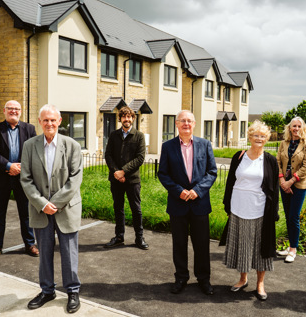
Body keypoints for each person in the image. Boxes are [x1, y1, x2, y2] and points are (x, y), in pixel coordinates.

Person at [20, 104, 83, 314]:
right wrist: (42, 203)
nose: (49, 124)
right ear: (40, 122)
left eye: (53, 120)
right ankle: (47, 291)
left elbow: (75, 179)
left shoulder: (72, 145)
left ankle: (72, 291)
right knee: (44, 252)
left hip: (66, 209)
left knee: (69, 252)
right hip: (40, 210)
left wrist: (54, 203)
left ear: (59, 121)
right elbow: (26, 179)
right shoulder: (30, 145)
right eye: (45, 120)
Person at [158, 110, 217, 295]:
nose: (186, 124)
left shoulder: (205, 145)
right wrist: (178, 191)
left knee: (202, 245)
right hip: (178, 204)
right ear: (176, 124)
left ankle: (204, 279)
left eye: (189, 121)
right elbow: (163, 174)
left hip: (199, 204)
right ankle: (181, 278)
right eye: (182, 121)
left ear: (194, 123)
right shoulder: (167, 147)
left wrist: (197, 191)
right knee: (179, 244)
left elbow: (212, 172)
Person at [223, 121, 279, 301]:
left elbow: (275, 188)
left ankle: (260, 284)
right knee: (243, 246)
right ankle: (242, 279)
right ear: (249, 136)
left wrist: (275, 211)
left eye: (263, 136)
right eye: (256, 135)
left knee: (260, 249)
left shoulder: (269, 160)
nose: (259, 139)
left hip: (260, 210)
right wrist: (228, 205)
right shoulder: (238, 157)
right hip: (239, 207)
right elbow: (230, 182)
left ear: (267, 139)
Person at [0, 100, 38, 261]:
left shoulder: (29, 129)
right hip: (1, 178)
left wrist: (20, 166)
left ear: (21, 111)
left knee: (26, 214)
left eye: (16, 109)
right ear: (4, 111)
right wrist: (8, 165)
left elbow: (35, 150)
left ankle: (30, 244)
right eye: (10, 109)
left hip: (23, 179)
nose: (13, 111)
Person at [103, 106, 149, 250]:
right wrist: (116, 172)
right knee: (118, 208)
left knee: (136, 209)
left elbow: (140, 158)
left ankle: (139, 238)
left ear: (133, 118)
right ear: (120, 119)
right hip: (116, 179)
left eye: (129, 117)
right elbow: (108, 155)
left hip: (132, 180)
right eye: (124, 116)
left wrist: (123, 172)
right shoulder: (113, 135)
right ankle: (119, 237)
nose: (126, 119)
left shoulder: (139, 136)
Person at [276, 116, 306, 263]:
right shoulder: (283, 143)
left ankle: (293, 249)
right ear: (289, 128)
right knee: (287, 216)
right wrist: (282, 181)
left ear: (302, 128)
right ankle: (290, 246)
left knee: (294, 216)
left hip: (298, 185)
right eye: (294, 126)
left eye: (299, 126)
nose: (296, 129)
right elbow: (277, 162)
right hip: (284, 184)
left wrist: (290, 182)